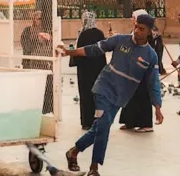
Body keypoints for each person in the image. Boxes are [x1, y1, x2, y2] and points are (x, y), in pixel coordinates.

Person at [61, 13, 164, 176]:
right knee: (103, 126)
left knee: (98, 128)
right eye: (136, 26)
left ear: (149, 32)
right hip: (103, 89)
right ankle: (94, 168)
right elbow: (95, 49)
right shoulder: (120, 40)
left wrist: (157, 107)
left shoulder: (151, 56)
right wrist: (69, 52)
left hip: (119, 98)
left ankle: (74, 151)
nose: (137, 31)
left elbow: (154, 84)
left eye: (141, 29)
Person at [118, 10, 162, 133]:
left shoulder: (151, 37)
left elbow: (153, 53)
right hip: (132, 71)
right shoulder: (135, 33)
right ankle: (130, 121)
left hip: (144, 70)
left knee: (143, 95)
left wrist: (158, 106)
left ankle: (146, 124)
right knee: (131, 96)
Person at [71, 11, 106, 130]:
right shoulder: (99, 33)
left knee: (86, 95)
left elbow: (78, 52)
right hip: (98, 70)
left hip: (85, 71)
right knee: (98, 94)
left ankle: (87, 122)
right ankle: (99, 120)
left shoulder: (83, 34)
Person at [20, 11, 53, 114]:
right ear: (33, 19)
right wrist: (37, 41)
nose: (39, 21)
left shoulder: (47, 31)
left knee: (47, 89)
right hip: (31, 63)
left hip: (45, 63)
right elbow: (26, 46)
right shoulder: (28, 31)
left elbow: (51, 46)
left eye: (41, 19)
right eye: (37, 18)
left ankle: (47, 110)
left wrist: (48, 39)